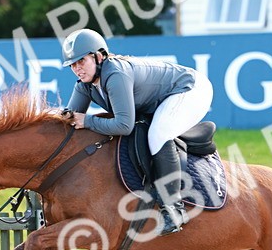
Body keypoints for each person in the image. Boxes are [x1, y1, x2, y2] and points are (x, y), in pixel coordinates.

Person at [61, 28, 213, 235]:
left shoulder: (115, 74)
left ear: (99, 56)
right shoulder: (84, 85)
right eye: (72, 65)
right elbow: (69, 120)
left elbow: (124, 126)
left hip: (191, 89)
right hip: (165, 96)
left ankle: (174, 209)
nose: (77, 68)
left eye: (81, 61)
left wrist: (87, 121)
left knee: (159, 134)